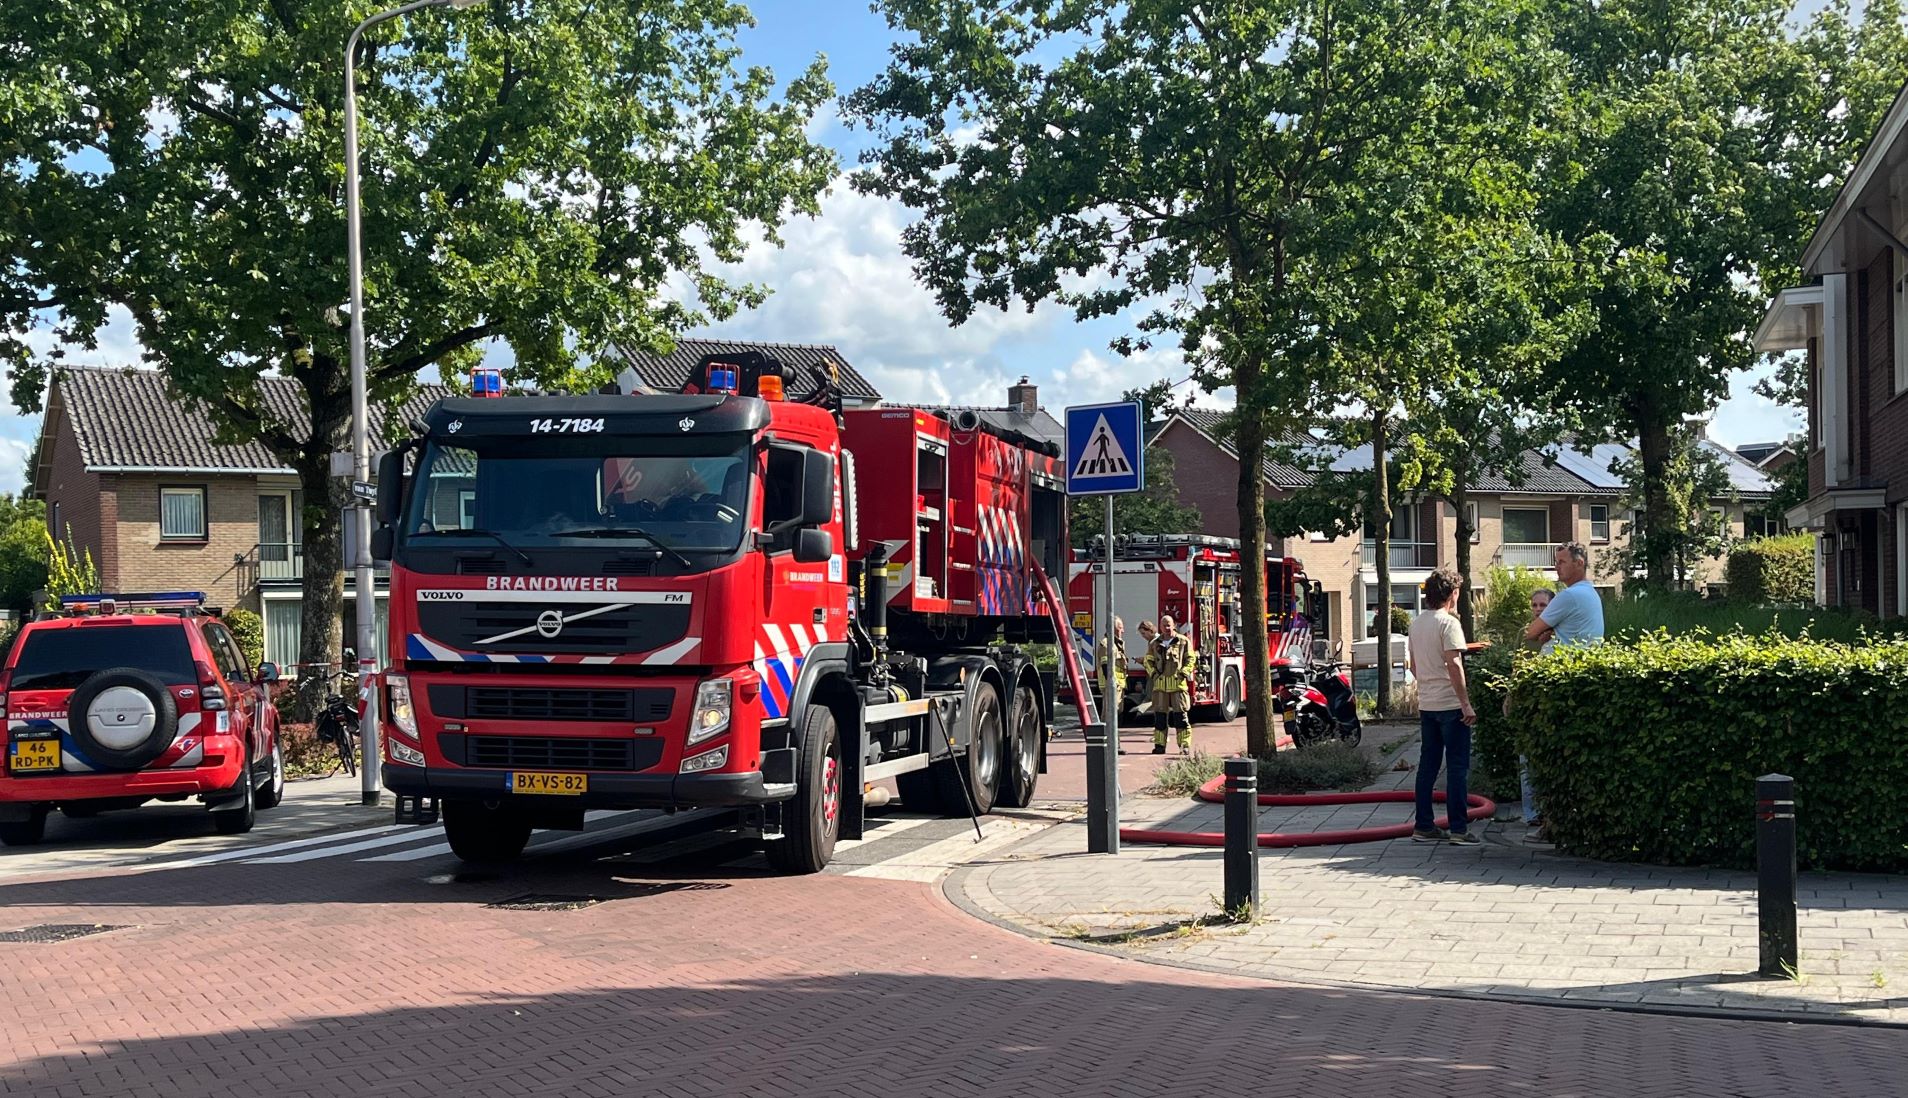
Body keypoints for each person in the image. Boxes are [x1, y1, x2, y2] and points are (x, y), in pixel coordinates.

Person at [1407, 566, 1478, 845]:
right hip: (1451, 704)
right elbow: (1454, 664)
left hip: (1427, 704)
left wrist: (1428, 683)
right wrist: (1466, 704)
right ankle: (1459, 829)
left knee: (1428, 765)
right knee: (1458, 767)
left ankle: (1423, 825)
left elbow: (1413, 665)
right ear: (1453, 594)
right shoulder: (1449, 624)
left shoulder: (1416, 623)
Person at [1525, 541, 1605, 650]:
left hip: (1559, 664)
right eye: (1556, 562)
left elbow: (1531, 632)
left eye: (1562, 562)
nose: (1556, 567)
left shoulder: (1570, 595)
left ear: (1579, 563)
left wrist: (1548, 631)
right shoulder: (1591, 593)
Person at [1144, 613, 1197, 755]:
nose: (1167, 627)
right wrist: (1154, 674)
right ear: (1160, 627)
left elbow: (1190, 659)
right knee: (1160, 719)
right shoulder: (1154, 644)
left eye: (1169, 624)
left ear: (1174, 625)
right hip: (1160, 687)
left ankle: (1184, 746)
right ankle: (1159, 746)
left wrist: (1183, 673)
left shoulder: (1183, 641)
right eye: (1164, 625)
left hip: (1178, 686)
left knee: (1181, 718)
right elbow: (1148, 661)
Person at [1095, 617, 1127, 754]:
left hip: (1118, 686)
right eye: (1121, 628)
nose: (1123, 631)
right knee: (1109, 715)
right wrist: (1111, 683)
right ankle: (1110, 745)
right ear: (1113, 629)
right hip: (1111, 687)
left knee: (1114, 715)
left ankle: (1114, 744)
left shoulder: (1116, 644)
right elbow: (1106, 666)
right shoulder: (1107, 644)